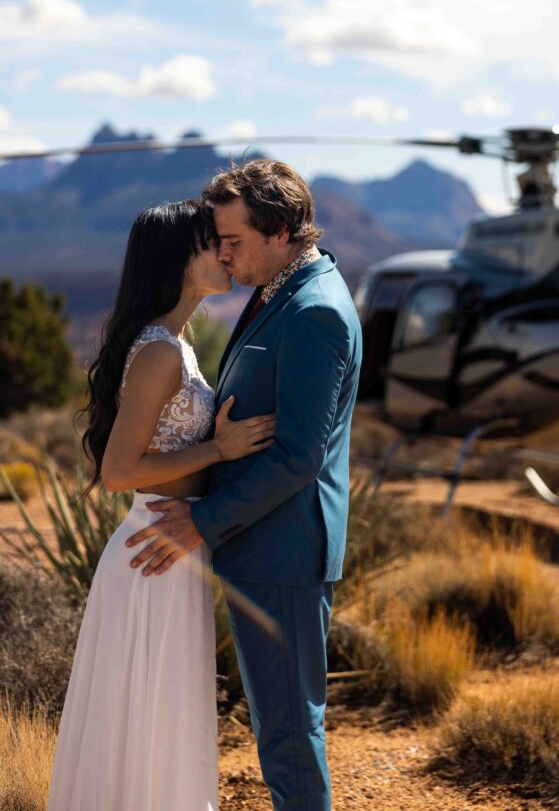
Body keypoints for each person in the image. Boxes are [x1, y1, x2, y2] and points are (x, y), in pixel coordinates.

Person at [126, 161, 363, 811]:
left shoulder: (313, 312)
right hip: (258, 545)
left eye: (232, 240)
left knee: (287, 733)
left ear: (281, 229)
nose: (222, 252)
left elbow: (298, 457)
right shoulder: (276, 291)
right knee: (278, 726)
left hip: (283, 552)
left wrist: (202, 522)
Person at [47, 200, 275, 811]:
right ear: (178, 260)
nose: (226, 253)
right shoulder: (159, 353)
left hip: (170, 546)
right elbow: (119, 472)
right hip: (153, 550)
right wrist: (220, 449)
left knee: (159, 716)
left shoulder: (178, 341)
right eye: (212, 244)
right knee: (147, 717)